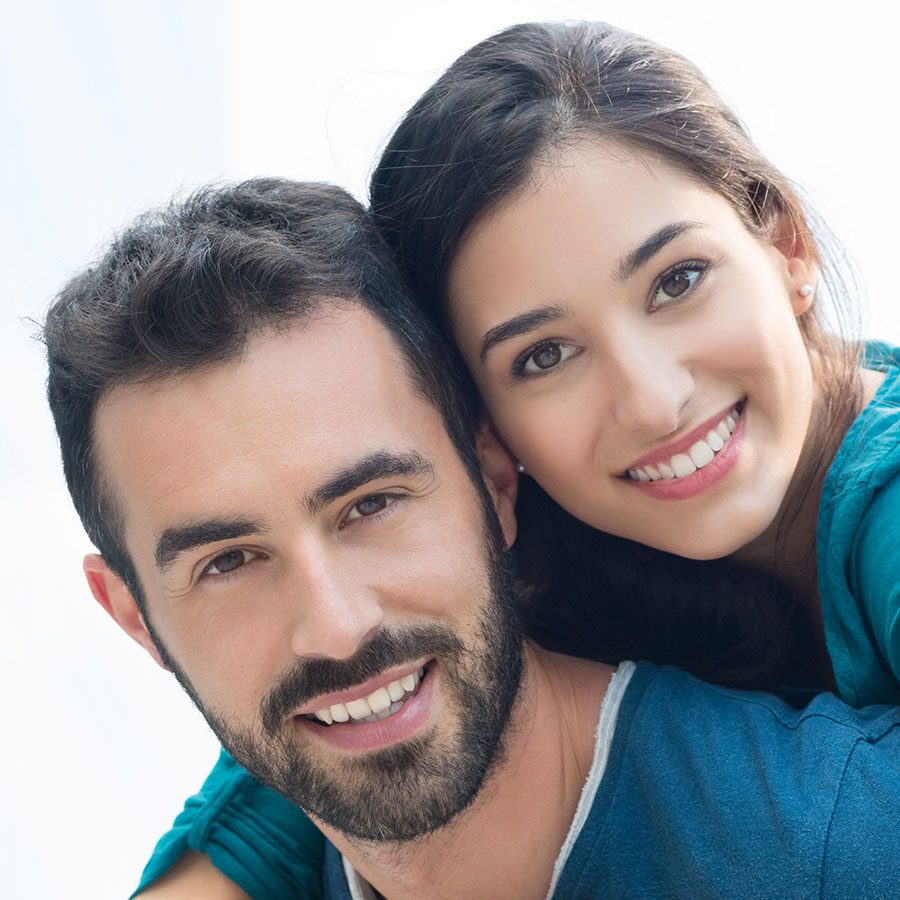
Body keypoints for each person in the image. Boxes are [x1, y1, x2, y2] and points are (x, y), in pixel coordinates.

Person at [45, 179, 900, 900]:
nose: (337, 629)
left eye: (372, 505)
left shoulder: (838, 850)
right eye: (229, 561)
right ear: (135, 617)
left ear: (496, 479)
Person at [367, 20, 900, 710]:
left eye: (678, 282)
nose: (653, 402)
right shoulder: (542, 567)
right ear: (485, 427)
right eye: (545, 356)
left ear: (787, 247)